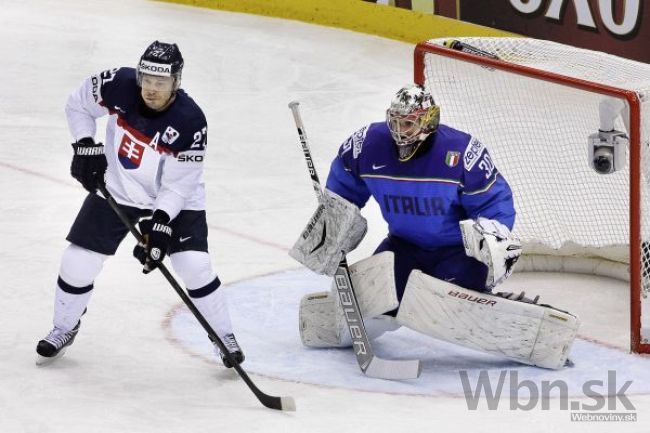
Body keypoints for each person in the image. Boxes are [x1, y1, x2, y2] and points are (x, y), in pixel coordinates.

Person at [290, 84, 578, 369]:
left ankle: (517, 313)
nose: (399, 130)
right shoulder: (366, 145)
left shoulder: (463, 153)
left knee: (448, 306)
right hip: (403, 246)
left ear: (428, 120)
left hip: (457, 253)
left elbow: (494, 203)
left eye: (408, 122)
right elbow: (344, 190)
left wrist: (491, 239)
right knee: (379, 303)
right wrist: (334, 221)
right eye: (395, 120)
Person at [35, 41, 244, 368]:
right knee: (76, 262)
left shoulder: (190, 123)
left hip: (177, 200)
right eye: (146, 79)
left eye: (160, 82)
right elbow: (78, 105)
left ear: (176, 81)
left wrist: (160, 226)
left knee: (194, 266)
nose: (150, 88)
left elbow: (176, 187)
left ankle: (223, 335)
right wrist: (85, 145)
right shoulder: (118, 84)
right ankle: (63, 327)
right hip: (120, 189)